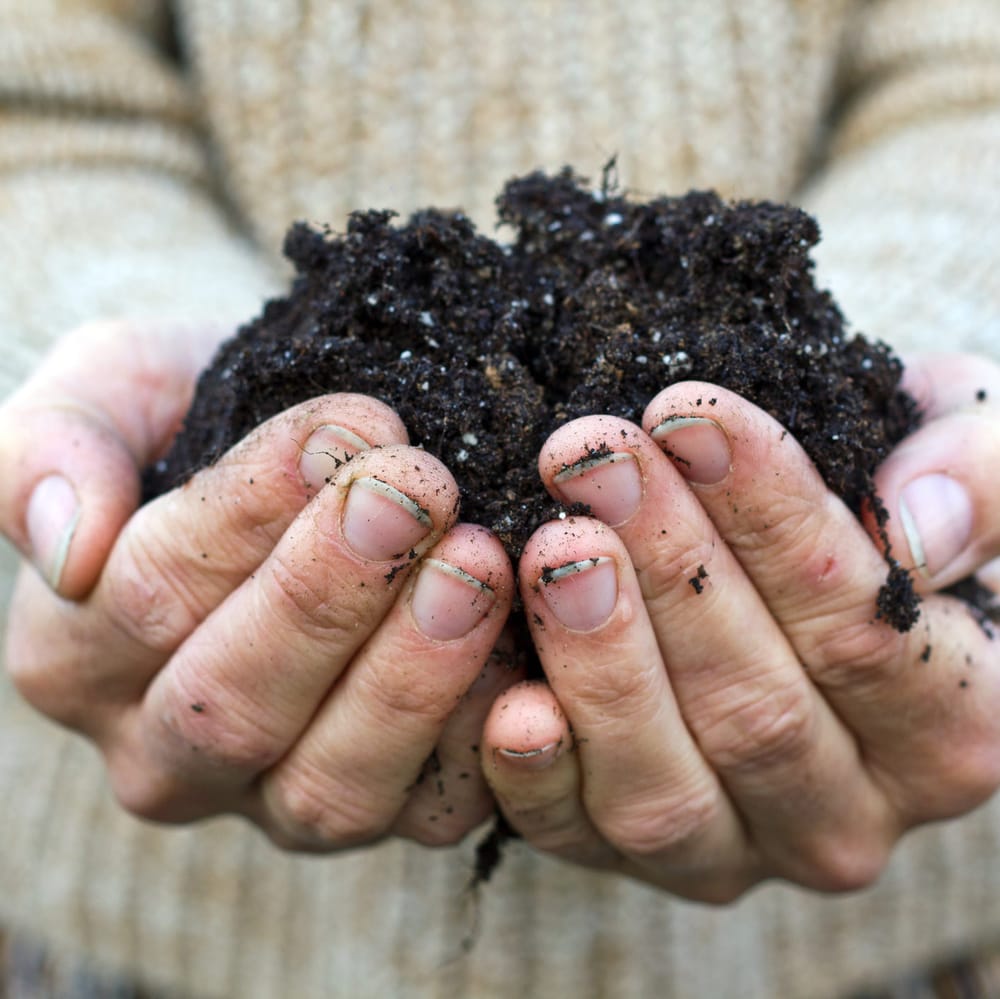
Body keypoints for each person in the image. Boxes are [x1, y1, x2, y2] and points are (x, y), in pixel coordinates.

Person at [1, 1, 999, 996]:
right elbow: (37, 93)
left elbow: (973, 84)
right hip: (149, 936)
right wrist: (136, 375)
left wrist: (895, 400)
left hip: (890, 945)